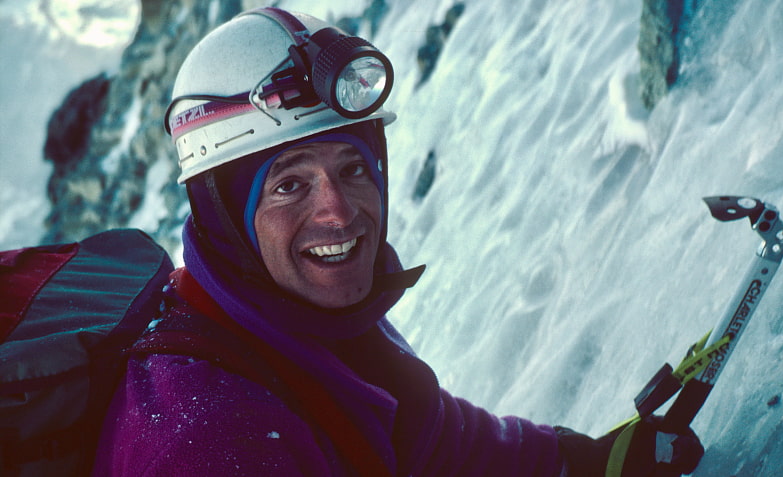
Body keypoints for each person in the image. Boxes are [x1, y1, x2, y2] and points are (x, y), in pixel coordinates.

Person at [93, 7, 703, 476]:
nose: (339, 211)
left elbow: (437, 443)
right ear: (224, 214)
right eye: (289, 186)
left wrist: (587, 460)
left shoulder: (300, 319)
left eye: (354, 168)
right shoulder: (203, 439)